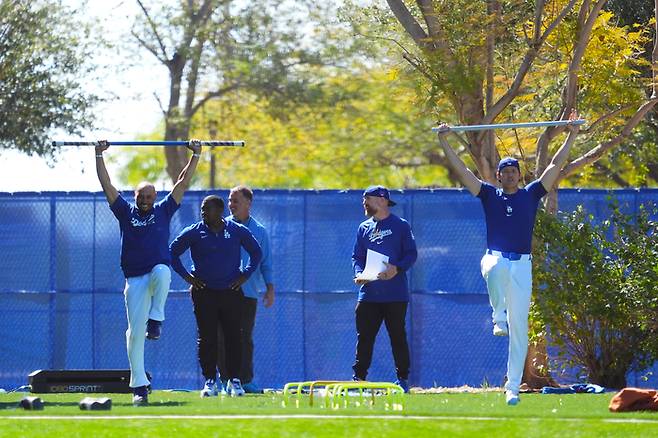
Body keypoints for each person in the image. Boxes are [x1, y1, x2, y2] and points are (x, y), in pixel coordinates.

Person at [436, 111, 580, 405]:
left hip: (522, 266)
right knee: (495, 266)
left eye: (514, 170)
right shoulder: (489, 194)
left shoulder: (530, 194)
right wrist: (444, 140)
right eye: (505, 171)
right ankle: (497, 314)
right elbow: (464, 172)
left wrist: (572, 135)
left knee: (520, 330)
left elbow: (554, 165)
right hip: (495, 259)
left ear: (519, 174)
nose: (511, 174)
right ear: (498, 176)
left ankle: (513, 387)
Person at [95, 139, 201, 406]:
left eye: (149, 196)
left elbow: (182, 183)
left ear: (155, 198)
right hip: (134, 280)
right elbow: (107, 184)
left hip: (155, 273)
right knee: (133, 334)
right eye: (141, 196)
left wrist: (196, 155)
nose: (144, 200)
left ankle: (157, 319)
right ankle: (139, 386)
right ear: (135, 196)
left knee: (163, 271)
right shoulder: (124, 212)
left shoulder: (164, 210)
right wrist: (98, 154)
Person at [169, 195, 262, 398]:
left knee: (234, 336)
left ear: (219, 211)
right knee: (207, 337)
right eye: (202, 209)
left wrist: (244, 275)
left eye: (207, 209)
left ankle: (234, 381)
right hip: (204, 293)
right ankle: (210, 381)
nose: (203, 213)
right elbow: (172, 253)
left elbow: (256, 252)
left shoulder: (236, 230)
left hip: (231, 292)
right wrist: (187, 277)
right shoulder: (194, 232)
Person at [351, 185, 418, 393]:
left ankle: (403, 380)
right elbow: (357, 256)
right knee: (364, 337)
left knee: (397, 336)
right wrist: (359, 273)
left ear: (381, 200)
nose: (364, 203)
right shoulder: (364, 228)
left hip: (395, 295)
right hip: (369, 294)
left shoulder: (401, 226)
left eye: (367, 199)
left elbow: (411, 254)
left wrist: (396, 268)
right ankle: (359, 379)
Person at [214, 185, 274, 394]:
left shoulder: (259, 231)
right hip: (222, 291)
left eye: (235, 201)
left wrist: (270, 288)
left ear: (248, 203)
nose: (231, 205)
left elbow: (266, 262)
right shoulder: (220, 227)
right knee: (221, 336)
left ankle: (245, 380)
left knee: (243, 337)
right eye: (230, 201)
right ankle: (224, 380)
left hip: (247, 293)